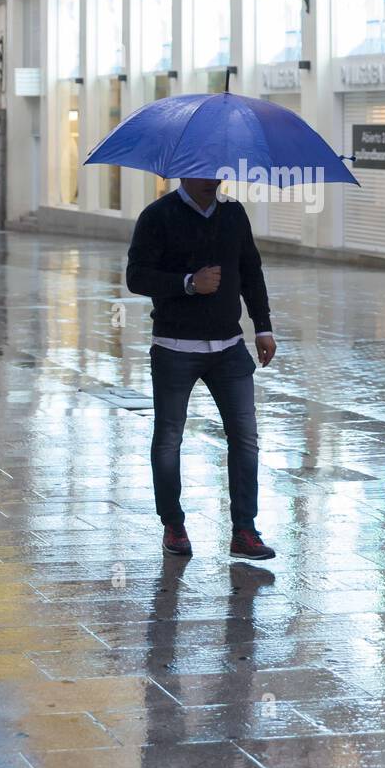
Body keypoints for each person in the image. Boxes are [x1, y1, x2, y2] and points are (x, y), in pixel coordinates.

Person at [126, 177, 277, 560]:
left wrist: (262, 326)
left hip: (229, 347)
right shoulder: (157, 216)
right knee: (169, 439)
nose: (213, 179)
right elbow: (136, 277)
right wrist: (189, 283)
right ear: (183, 174)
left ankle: (244, 531)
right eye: (203, 172)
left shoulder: (234, 213)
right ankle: (173, 524)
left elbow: (251, 271)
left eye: (217, 171)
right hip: (175, 348)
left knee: (245, 438)